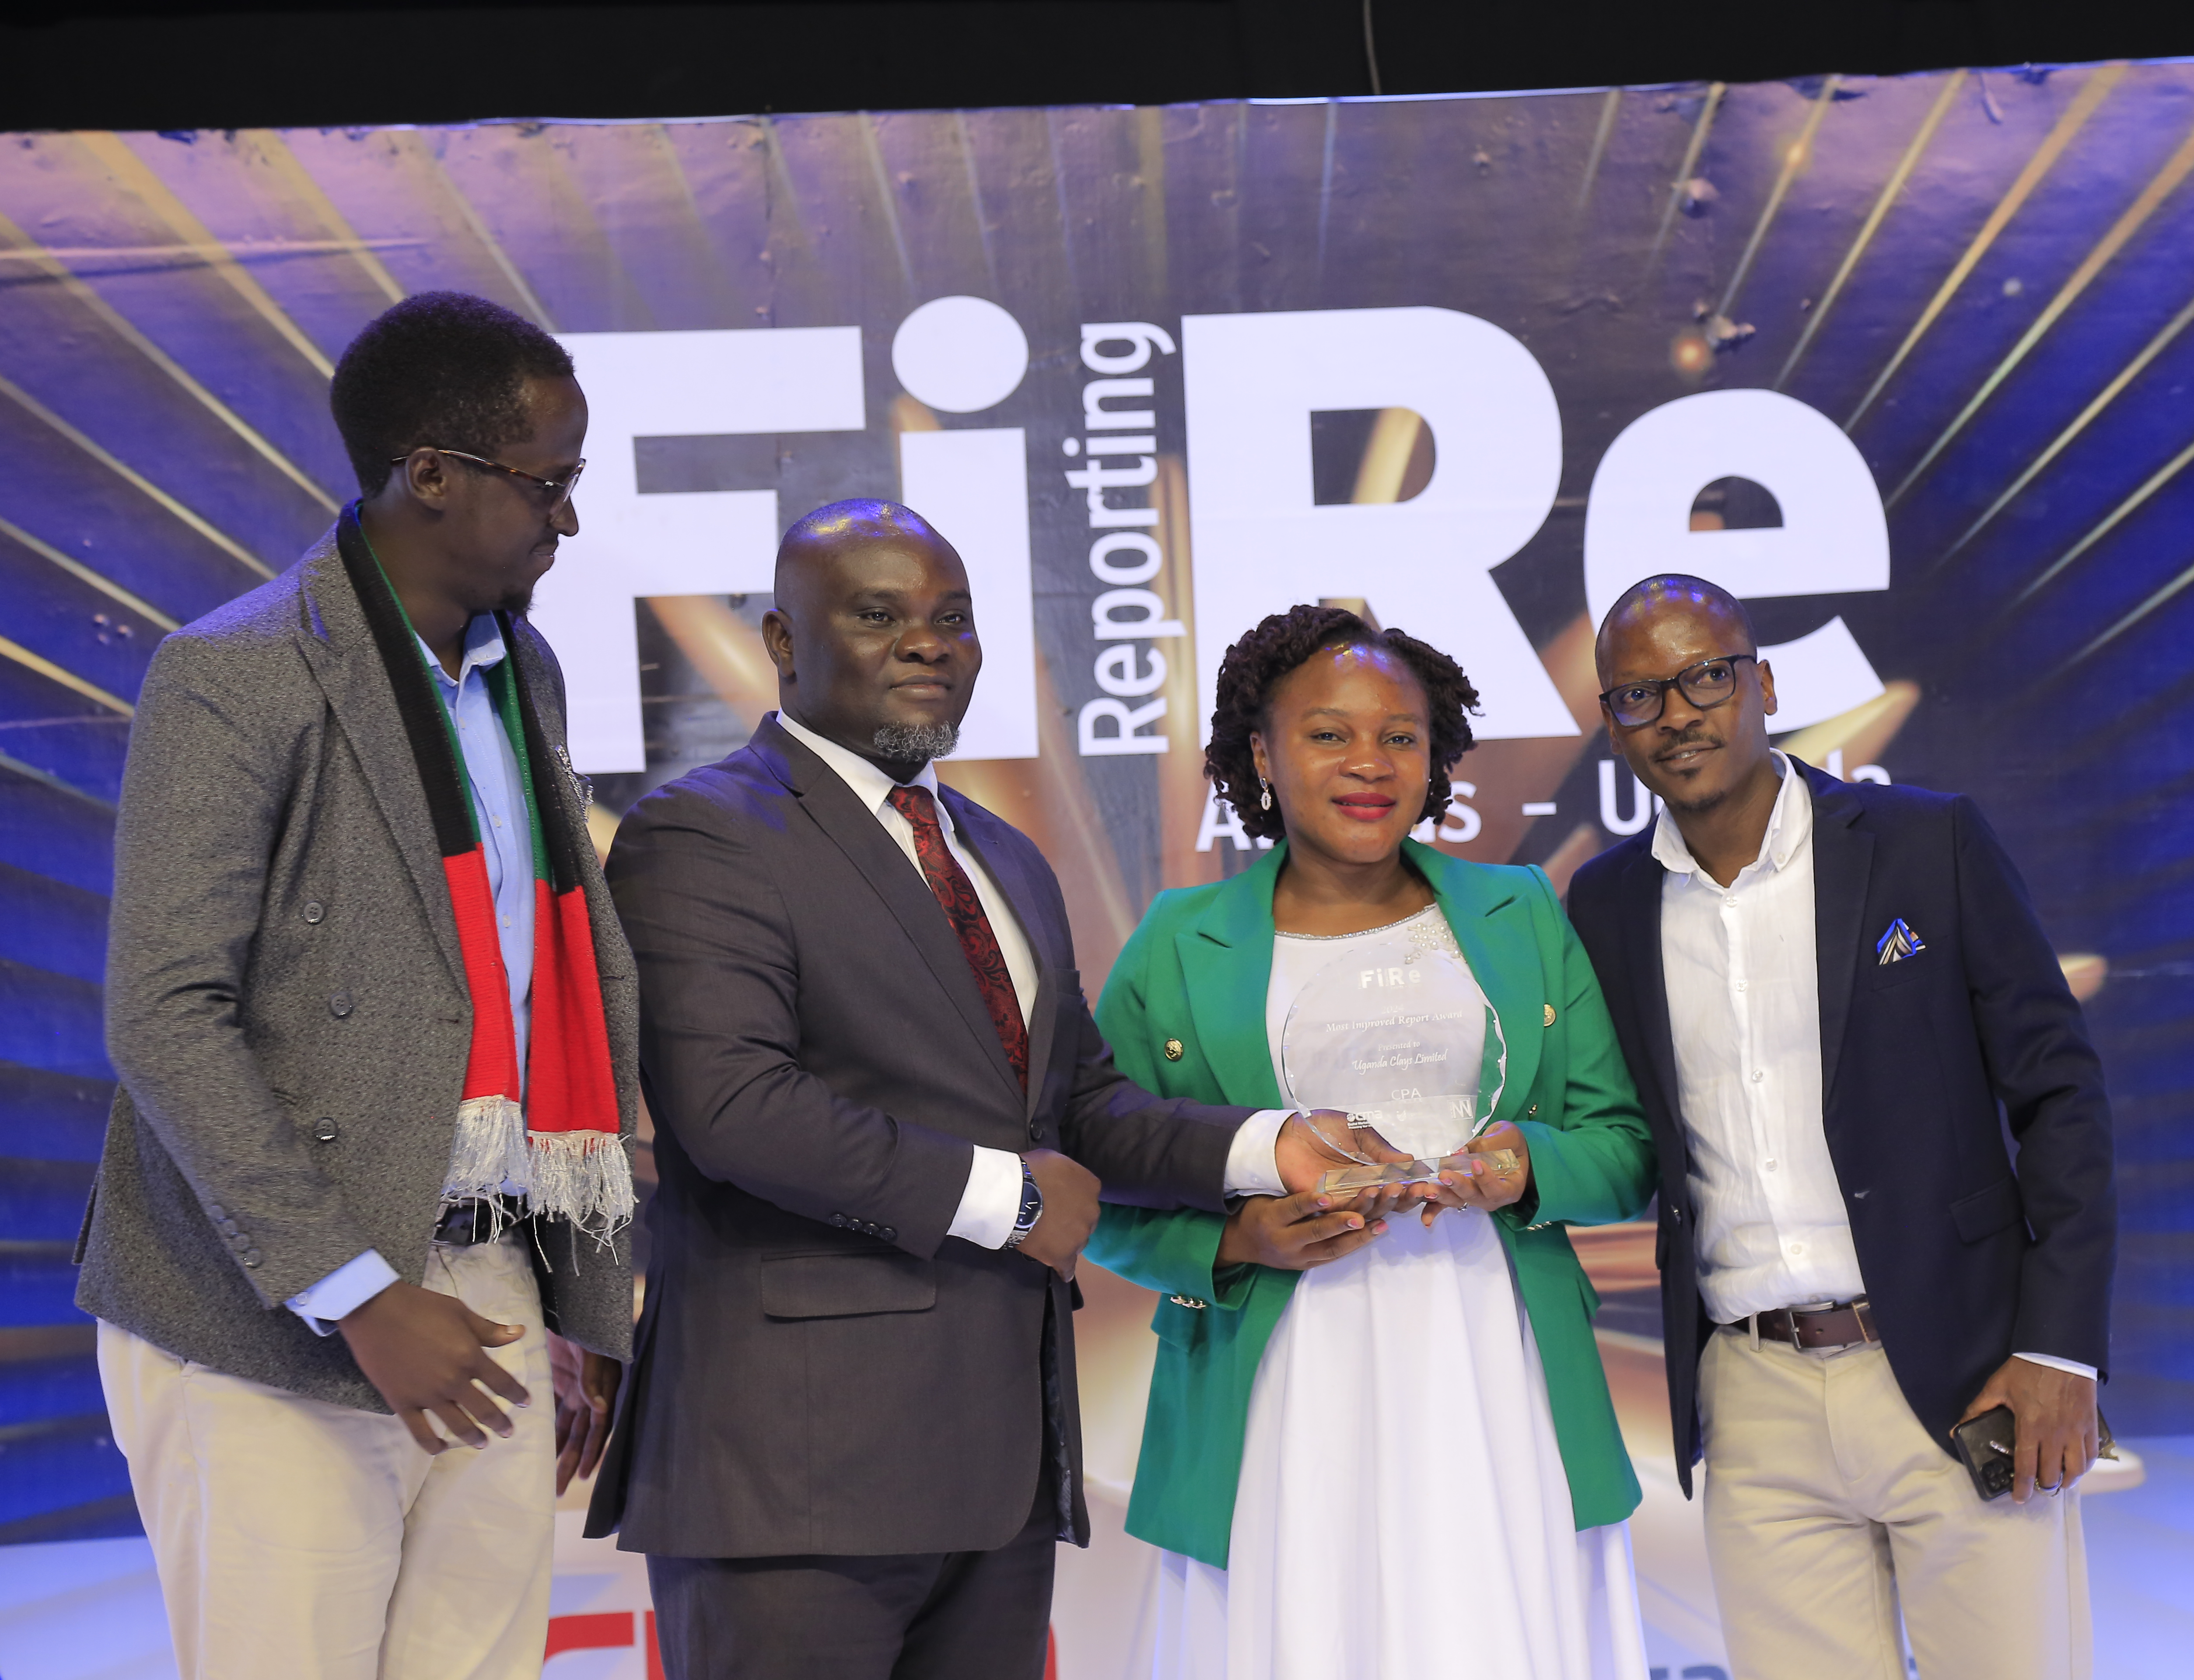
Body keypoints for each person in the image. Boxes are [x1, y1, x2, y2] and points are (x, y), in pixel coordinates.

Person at [591, 501, 1369, 1680]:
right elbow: (733, 1107)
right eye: (879, 615)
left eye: (952, 619)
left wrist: (1274, 1147)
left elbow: (1083, 1111)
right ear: (782, 643)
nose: (928, 644)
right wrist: (1005, 1200)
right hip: (794, 1479)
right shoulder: (700, 833)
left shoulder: (998, 855)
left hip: (998, 1468)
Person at [76, 291, 639, 1680]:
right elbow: (165, 1012)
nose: (566, 521)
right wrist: (360, 1295)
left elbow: (541, 993)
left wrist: (589, 1304)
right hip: (271, 1306)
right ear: (431, 475)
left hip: (490, 1268)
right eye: (548, 483)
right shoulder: (235, 672)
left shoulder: (528, 675)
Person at [1089, 605, 1659, 1680]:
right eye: (1328, 734)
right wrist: (1237, 1243)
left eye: (1401, 735)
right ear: (1262, 753)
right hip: (1281, 1380)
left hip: (1495, 1358)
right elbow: (1099, 1176)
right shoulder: (1177, 940)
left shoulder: (1521, 911)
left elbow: (1626, 1146)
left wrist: (1524, 1165)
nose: (1370, 763)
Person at [1565, 574, 2117, 1680]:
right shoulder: (1605, 906)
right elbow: (1633, 1141)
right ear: (1612, 727)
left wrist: (2058, 1348)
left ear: (1762, 682)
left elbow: (2060, 1096)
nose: (1678, 713)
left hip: (1963, 1372)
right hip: (1753, 1394)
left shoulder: (1926, 845)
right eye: (1638, 696)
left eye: (1706, 676)